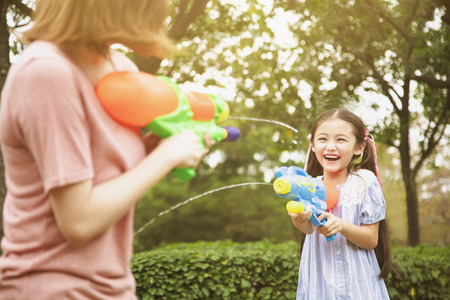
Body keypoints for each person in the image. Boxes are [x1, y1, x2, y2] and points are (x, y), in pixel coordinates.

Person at [0, 0, 214, 298]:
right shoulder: (47, 73)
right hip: (51, 287)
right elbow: (78, 221)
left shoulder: (119, 68)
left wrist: (156, 148)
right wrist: (167, 156)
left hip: (114, 288)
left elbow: (109, 174)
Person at [289, 108, 397, 299]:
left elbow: (371, 239)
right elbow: (307, 229)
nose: (330, 146)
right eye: (323, 139)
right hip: (319, 284)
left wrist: (342, 225)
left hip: (358, 284)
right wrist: (299, 219)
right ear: (313, 145)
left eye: (340, 140)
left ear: (359, 147)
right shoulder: (309, 185)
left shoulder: (364, 182)